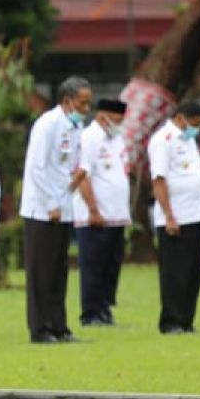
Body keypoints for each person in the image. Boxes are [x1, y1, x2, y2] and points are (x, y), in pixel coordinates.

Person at [19, 76, 92, 344]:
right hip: (42, 209)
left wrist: (77, 176)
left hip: (64, 205)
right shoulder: (47, 125)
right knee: (41, 271)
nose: (86, 108)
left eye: (88, 103)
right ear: (67, 101)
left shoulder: (76, 127)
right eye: (82, 103)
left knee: (59, 270)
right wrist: (50, 203)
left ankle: (59, 326)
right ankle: (40, 329)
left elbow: (69, 164)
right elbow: (37, 167)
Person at [149, 102, 200, 334]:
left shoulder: (188, 139)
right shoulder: (164, 140)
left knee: (194, 271)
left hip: (197, 215)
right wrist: (169, 215)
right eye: (193, 124)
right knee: (175, 272)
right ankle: (171, 320)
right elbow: (159, 180)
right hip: (177, 217)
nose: (196, 129)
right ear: (181, 118)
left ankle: (186, 319)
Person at [73, 99, 130, 327]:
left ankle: (105, 309)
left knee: (111, 266)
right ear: (103, 115)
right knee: (94, 265)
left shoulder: (116, 139)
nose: (119, 124)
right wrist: (93, 208)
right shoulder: (89, 137)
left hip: (117, 214)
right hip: (95, 216)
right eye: (116, 119)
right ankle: (91, 312)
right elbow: (83, 176)